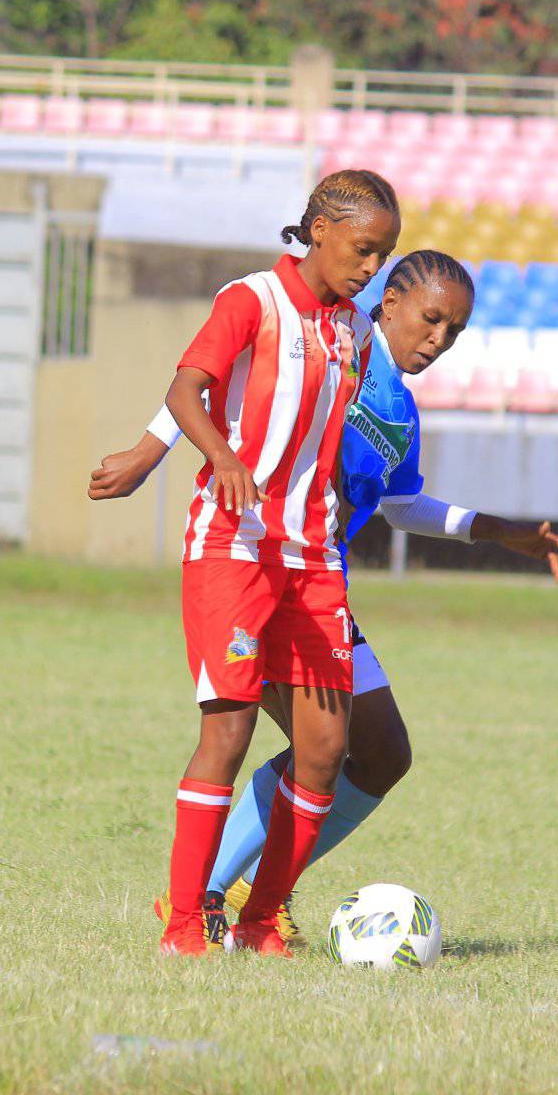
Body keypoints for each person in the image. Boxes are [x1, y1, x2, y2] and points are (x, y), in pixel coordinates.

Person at [92, 249, 558, 948]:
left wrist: (502, 534)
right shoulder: (335, 344)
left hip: (320, 579)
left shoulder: (401, 406)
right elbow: (213, 380)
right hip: (255, 564)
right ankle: (206, 894)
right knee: (304, 740)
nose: (439, 340)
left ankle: (246, 890)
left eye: (456, 331)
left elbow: (402, 503)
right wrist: (148, 450)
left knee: (380, 753)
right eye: (431, 319)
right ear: (390, 304)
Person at [156, 168, 396, 958]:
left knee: (326, 748)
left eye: (382, 256)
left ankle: (262, 920)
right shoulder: (250, 300)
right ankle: (185, 925)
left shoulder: (356, 333)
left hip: (312, 559)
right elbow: (189, 388)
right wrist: (219, 455)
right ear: (320, 229)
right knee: (224, 736)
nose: (369, 268)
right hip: (234, 547)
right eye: (363, 249)